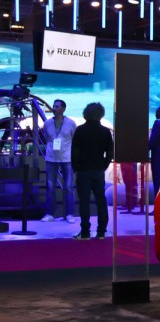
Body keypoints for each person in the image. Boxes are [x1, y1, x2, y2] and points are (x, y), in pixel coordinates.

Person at [71, 102, 114, 240]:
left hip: (83, 170)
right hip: (98, 170)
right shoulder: (105, 131)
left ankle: (85, 232)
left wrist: (75, 167)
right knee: (100, 200)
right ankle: (101, 231)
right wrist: (104, 165)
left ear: (86, 113)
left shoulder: (80, 130)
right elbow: (110, 152)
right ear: (101, 114)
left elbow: (75, 152)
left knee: (84, 201)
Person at [41, 99, 77, 223]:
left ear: (63, 109)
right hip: (51, 158)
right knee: (50, 187)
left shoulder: (71, 123)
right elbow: (46, 137)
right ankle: (50, 213)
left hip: (67, 158)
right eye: (53, 106)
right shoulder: (47, 123)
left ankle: (70, 214)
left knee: (68, 187)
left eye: (57, 106)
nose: (54, 108)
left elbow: (74, 138)